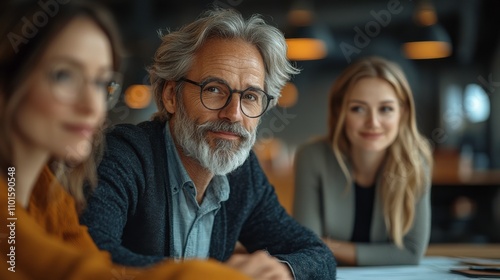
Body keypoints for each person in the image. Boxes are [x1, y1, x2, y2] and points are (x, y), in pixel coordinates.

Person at [0, 1, 252, 279]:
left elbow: (96, 265)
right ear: (9, 80)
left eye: (100, 83)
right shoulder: (127, 152)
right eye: (65, 76)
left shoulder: (48, 192)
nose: (92, 106)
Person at [80, 8, 336, 280]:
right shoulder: (123, 156)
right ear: (170, 96)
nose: (234, 114)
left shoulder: (243, 175)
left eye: (250, 96)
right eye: (214, 90)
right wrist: (215, 275)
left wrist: (283, 270)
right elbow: (94, 255)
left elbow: (317, 254)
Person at [293, 56, 433, 266]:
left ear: (402, 113)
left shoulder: (415, 162)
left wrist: (330, 246)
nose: (373, 123)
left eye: (386, 109)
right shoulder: (312, 157)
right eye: (358, 108)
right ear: (340, 111)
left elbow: (411, 252)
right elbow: (306, 246)